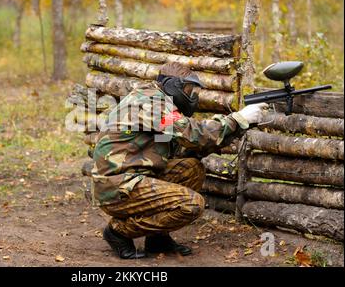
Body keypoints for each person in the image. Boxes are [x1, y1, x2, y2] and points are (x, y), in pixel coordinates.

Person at [90, 62, 268, 259]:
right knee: (191, 205)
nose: (193, 97)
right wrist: (236, 118)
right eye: (189, 90)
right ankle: (118, 231)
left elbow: (189, 147)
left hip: (133, 178)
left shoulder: (157, 103)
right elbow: (193, 134)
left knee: (191, 168)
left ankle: (157, 239)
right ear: (172, 85)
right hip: (117, 187)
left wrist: (239, 127)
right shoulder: (150, 103)